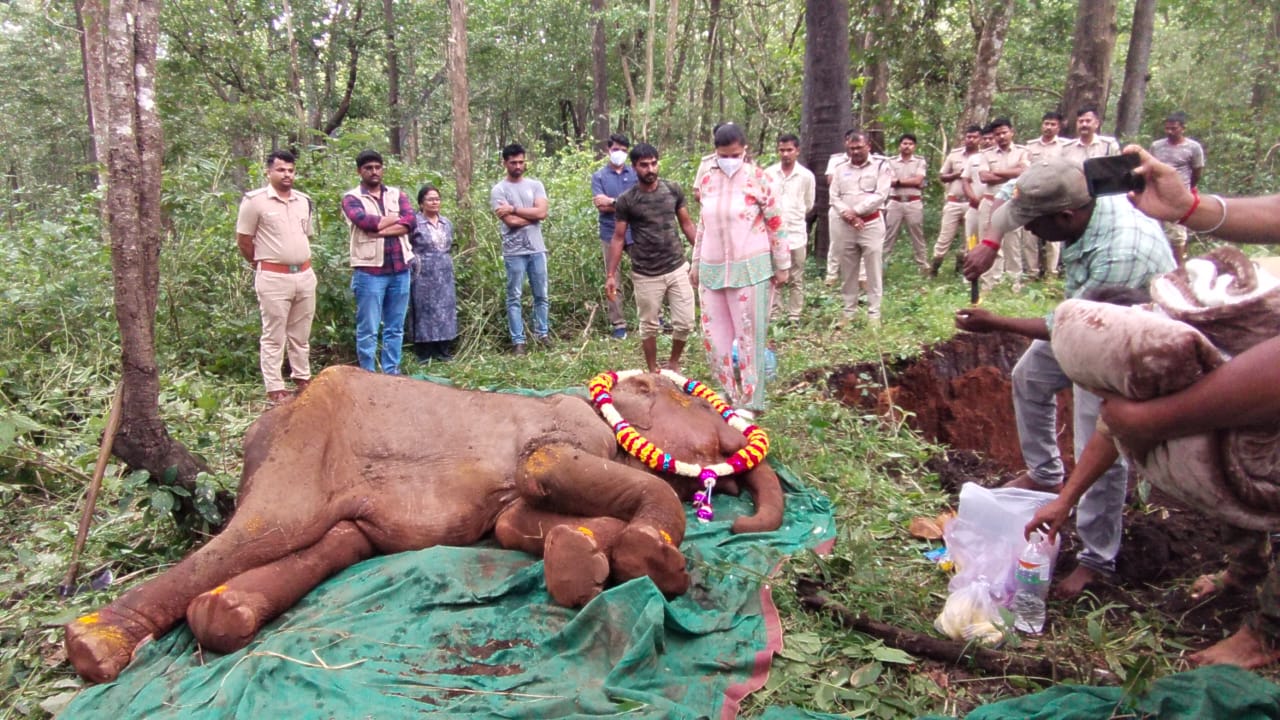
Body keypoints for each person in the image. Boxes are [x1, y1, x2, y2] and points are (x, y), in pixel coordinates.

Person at [956, 157, 1175, 599]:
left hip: (1127, 332)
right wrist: (991, 244)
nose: (1030, 232)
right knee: (1031, 376)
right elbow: (1006, 200)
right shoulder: (1067, 183)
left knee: (1102, 433)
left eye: (1034, 225)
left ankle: (1097, 559)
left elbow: (1071, 327)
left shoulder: (1121, 252)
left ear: (1066, 217)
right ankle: (1044, 474)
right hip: (1087, 311)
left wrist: (996, 321)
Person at [691, 123, 789, 417]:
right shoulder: (708, 179)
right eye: (723, 155)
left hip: (751, 267)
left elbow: (775, 222)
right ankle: (727, 390)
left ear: (744, 150)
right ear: (715, 153)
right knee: (714, 337)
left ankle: (750, 400)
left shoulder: (759, 178)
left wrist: (782, 264)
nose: (729, 160)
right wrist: (695, 262)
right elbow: (703, 225)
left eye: (734, 154)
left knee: (749, 335)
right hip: (712, 267)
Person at [603, 143, 697, 373]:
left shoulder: (672, 190)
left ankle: (674, 363)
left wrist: (703, 253)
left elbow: (686, 224)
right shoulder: (627, 200)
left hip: (676, 266)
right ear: (634, 168)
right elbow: (618, 237)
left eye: (653, 163)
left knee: (685, 322)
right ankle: (653, 369)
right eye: (644, 165)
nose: (650, 169)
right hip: (645, 272)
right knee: (649, 326)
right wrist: (611, 275)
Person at [236, 149, 317, 405]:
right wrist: (260, 263)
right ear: (268, 172)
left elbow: (307, 235)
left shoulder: (303, 200)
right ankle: (275, 387)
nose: (287, 175)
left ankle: (302, 377)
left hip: (304, 274)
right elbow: (244, 240)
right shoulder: (255, 201)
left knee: (301, 332)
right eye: (281, 170)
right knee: (274, 333)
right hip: (273, 276)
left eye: (291, 170)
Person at [340, 149, 415, 374]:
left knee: (395, 327)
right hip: (369, 271)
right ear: (359, 171)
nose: (374, 172)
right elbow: (363, 221)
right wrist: (393, 221)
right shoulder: (352, 198)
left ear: (383, 169)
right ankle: (368, 375)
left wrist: (381, 229)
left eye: (377, 167)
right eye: (368, 168)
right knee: (368, 329)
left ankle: (392, 372)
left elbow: (410, 221)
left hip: (400, 269)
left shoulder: (396, 194)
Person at [490, 143, 550, 356]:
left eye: (521, 162)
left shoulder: (535, 185)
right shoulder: (499, 190)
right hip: (514, 251)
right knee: (514, 295)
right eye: (513, 162)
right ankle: (518, 341)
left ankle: (542, 334)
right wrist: (531, 215)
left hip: (537, 248)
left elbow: (542, 213)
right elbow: (511, 222)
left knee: (541, 294)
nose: (518, 165)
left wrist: (516, 209)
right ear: (505, 163)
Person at [828, 129, 893, 326]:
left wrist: (856, 211)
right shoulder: (839, 168)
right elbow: (834, 196)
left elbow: (881, 195)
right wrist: (848, 215)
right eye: (851, 148)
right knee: (848, 271)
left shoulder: (881, 166)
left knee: (873, 270)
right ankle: (849, 313)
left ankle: (874, 315)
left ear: (868, 146)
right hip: (846, 225)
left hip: (871, 224)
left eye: (859, 148)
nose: (855, 152)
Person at [764, 133, 816, 322]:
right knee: (774, 276)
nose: (785, 154)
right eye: (782, 150)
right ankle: (775, 315)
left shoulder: (806, 176)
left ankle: (794, 315)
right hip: (773, 235)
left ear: (797, 151)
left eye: (789, 150)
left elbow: (809, 204)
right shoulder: (769, 174)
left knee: (796, 276)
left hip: (796, 234)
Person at [591, 133, 638, 339]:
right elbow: (600, 205)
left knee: (646, 274)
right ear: (608, 150)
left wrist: (612, 202)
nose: (620, 153)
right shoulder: (599, 176)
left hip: (636, 231)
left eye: (624, 150)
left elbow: (640, 204)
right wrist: (623, 204)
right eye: (616, 149)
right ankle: (618, 324)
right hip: (610, 232)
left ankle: (656, 317)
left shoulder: (636, 173)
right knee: (612, 278)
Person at [977, 117, 1031, 286]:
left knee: (1012, 243)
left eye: (1004, 132)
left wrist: (997, 172)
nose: (1001, 137)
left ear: (1011, 132)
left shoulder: (1022, 152)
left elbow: (1024, 171)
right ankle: (989, 282)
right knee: (988, 241)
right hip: (989, 201)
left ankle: (1014, 282)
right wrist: (1011, 172)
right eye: (997, 134)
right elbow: (984, 176)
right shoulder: (985, 154)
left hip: (1012, 202)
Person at [407, 185, 458, 363]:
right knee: (424, 309)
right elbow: (407, 245)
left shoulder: (446, 223)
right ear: (421, 203)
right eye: (430, 199)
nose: (434, 202)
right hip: (422, 271)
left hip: (444, 271)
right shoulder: (414, 222)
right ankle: (424, 351)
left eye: (437, 199)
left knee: (445, 308)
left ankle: (443, 349)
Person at [1149, 111, 1205, 268]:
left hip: (1179, 197)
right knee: (1156, 232)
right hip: (1157, 195)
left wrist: (1187, 189)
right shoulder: (1157, 146)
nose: (1170, 132)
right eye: (1167, 128)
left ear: (1183, 128)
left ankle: (1180, 269)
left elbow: (1197, 171)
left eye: (1173, 128)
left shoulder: (1193, 148)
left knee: (1177, 236)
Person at [930, 125, 982, 277]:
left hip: (972, 202)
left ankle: (963, 266)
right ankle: (935, 268)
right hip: (953, 202)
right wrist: (956, 174)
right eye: (968, 137)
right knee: (945, 237)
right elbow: (941, 176)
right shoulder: (955, 155)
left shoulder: (983, 157)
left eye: (974, 137)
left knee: (970, 238)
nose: (970, 140)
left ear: (979, 139)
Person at [1024, 111, 1068, 277]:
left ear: (1059, 127)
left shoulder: (1065, 146)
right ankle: (1032, 272)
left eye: (1053, 124)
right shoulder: (1030, 146)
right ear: (1041, 125)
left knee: (1054, 237)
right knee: (1029, 236)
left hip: (1055, 195)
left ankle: (1051, 273)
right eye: (1046, 124)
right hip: (1033, 195)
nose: (1048, 127)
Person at [883, 133, 929, 275]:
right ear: (899, 145)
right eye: (904, 143)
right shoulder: (890, 161)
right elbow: (887, 180)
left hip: (913, 202)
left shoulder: (919, 162)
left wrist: (898, 181)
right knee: (888, 235)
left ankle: (923, 266)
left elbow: (918, 180)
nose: (907, 146)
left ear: (914, 146)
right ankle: (880, 264)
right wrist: (909, 181)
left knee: (917, 234)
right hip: (894, 202)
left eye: (910, 144)